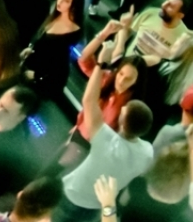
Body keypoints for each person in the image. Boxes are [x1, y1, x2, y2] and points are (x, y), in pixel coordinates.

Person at [61, 59, 156, 215]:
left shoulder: (105, 138)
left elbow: (88, 101)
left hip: (72, 193)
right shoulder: (147, 152)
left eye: (129, 78)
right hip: (99, 205)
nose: (122, 80)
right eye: (121, 74)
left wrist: (100, 63)